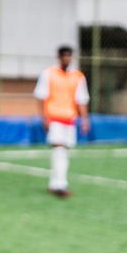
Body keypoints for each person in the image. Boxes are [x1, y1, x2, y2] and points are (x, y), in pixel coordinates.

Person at [34, 44, 90, 198]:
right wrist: (44, 116)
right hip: (54, 118)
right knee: (59, 149)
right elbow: (41, 96)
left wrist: (85, 119)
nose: (66, 58)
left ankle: (54, 183)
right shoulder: (49, 74)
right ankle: (60, 184)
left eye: (69, 56)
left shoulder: (78, 76)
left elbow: (82, 99)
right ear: (59, 57)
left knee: (62, 152)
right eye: (64, 55)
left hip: (70, 119)